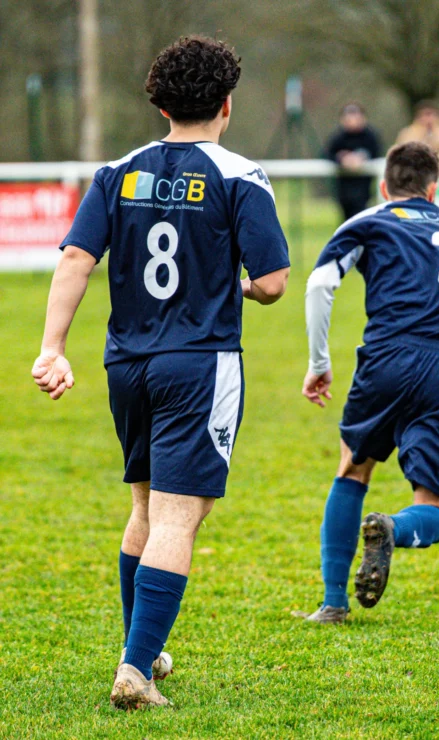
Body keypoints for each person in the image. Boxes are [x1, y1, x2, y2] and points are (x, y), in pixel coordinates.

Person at [30, 36, 290, 709]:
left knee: (146, 506)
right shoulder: (240, 175)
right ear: (226, 104)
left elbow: (76, 260)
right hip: (199, 364)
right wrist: (237, 284)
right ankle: (136, 670)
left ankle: (139, 651)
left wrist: (53, 348)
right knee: (180, 515)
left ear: (161, 104)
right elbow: (272, 283)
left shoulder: (117, 172)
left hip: (127, 363)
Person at [293, 142, 439, 623]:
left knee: (352, 468)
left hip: (385, 358)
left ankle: (333, 602)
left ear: (385, 186)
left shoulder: (369, 220)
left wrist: (319, 362)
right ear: (433, 190)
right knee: (438, 508)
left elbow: (319, 283)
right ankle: (394, 528)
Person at [323, 102, 381, 221]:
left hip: (363, 189)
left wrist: (362, 158)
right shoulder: (338, 137)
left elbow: (376, 152)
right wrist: (342, 158)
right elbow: (327, 154)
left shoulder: (370, 136)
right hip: (344, 190)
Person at [394, 100, 439, 169]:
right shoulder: (408, 133)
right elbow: (399, 153)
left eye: (432, 115)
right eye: (425, 115)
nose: (428, 119)